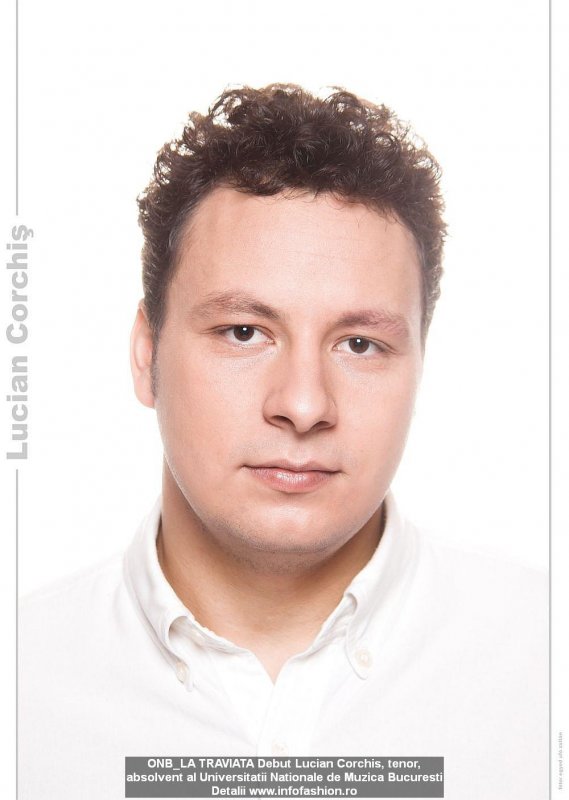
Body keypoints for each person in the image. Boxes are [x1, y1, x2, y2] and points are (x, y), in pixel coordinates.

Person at [20, 84, 547, 799]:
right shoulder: (22, 686)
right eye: (244, 332)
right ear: (146, 355)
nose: (303, 405)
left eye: (359, 344)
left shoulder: (544, 662)